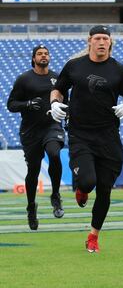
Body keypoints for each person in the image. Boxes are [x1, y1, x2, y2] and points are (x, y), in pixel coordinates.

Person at [50, 25, 123, 252]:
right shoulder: (74, 65)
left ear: (110, 42)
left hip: (109, 136)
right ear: (89, 40)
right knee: (88, 182)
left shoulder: (120, 70)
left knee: (105, 190)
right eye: (98, 38)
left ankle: (93, 236)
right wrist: (54, 103)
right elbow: (58, 89)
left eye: (105, 38)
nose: (102, 42)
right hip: (80, 133)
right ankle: (81, 187)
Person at [7, 44, 66, 230]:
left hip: (52, 126)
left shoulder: (57, 78)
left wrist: (69, 116)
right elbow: (11, 104)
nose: (43, 56)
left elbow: (68, 102)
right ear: (33, 58)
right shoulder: (24, 79)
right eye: (40, 54)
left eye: (46, 53)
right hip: (30, 131)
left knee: (54, 154)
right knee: (33, 170)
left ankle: (55, 195)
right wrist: (28, 104)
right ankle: (31, 207)